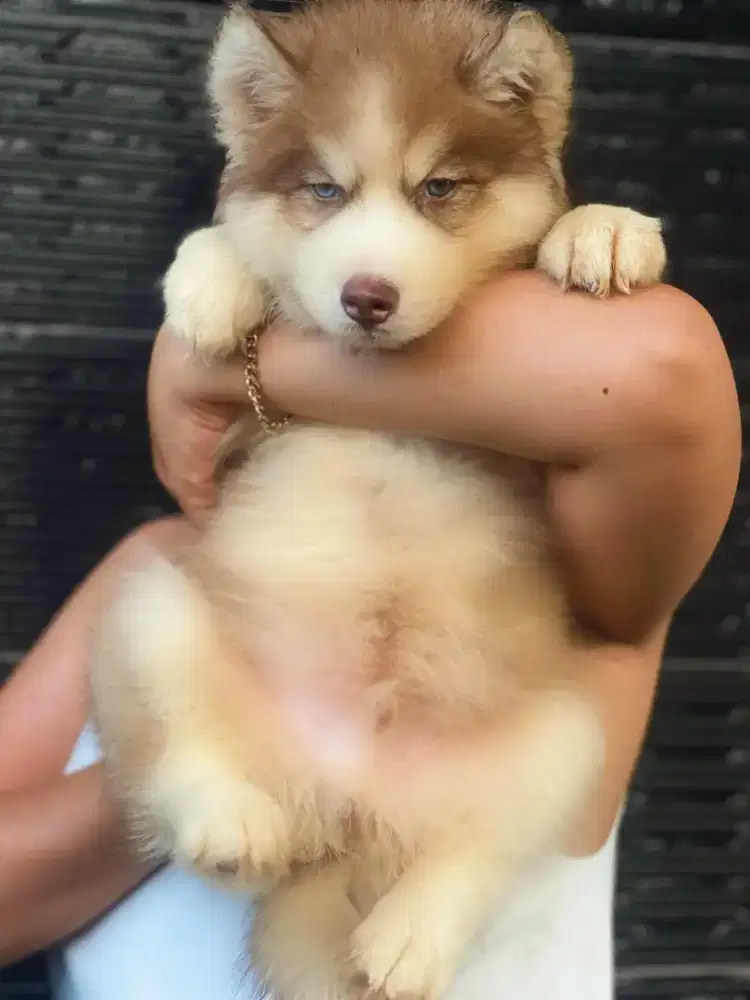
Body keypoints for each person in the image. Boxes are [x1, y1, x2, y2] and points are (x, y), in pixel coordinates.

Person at [0, 269, 740, 1000]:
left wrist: (218, 366)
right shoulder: (160, 574)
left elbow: (654, 370)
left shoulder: (584, 593)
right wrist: (184, 777)